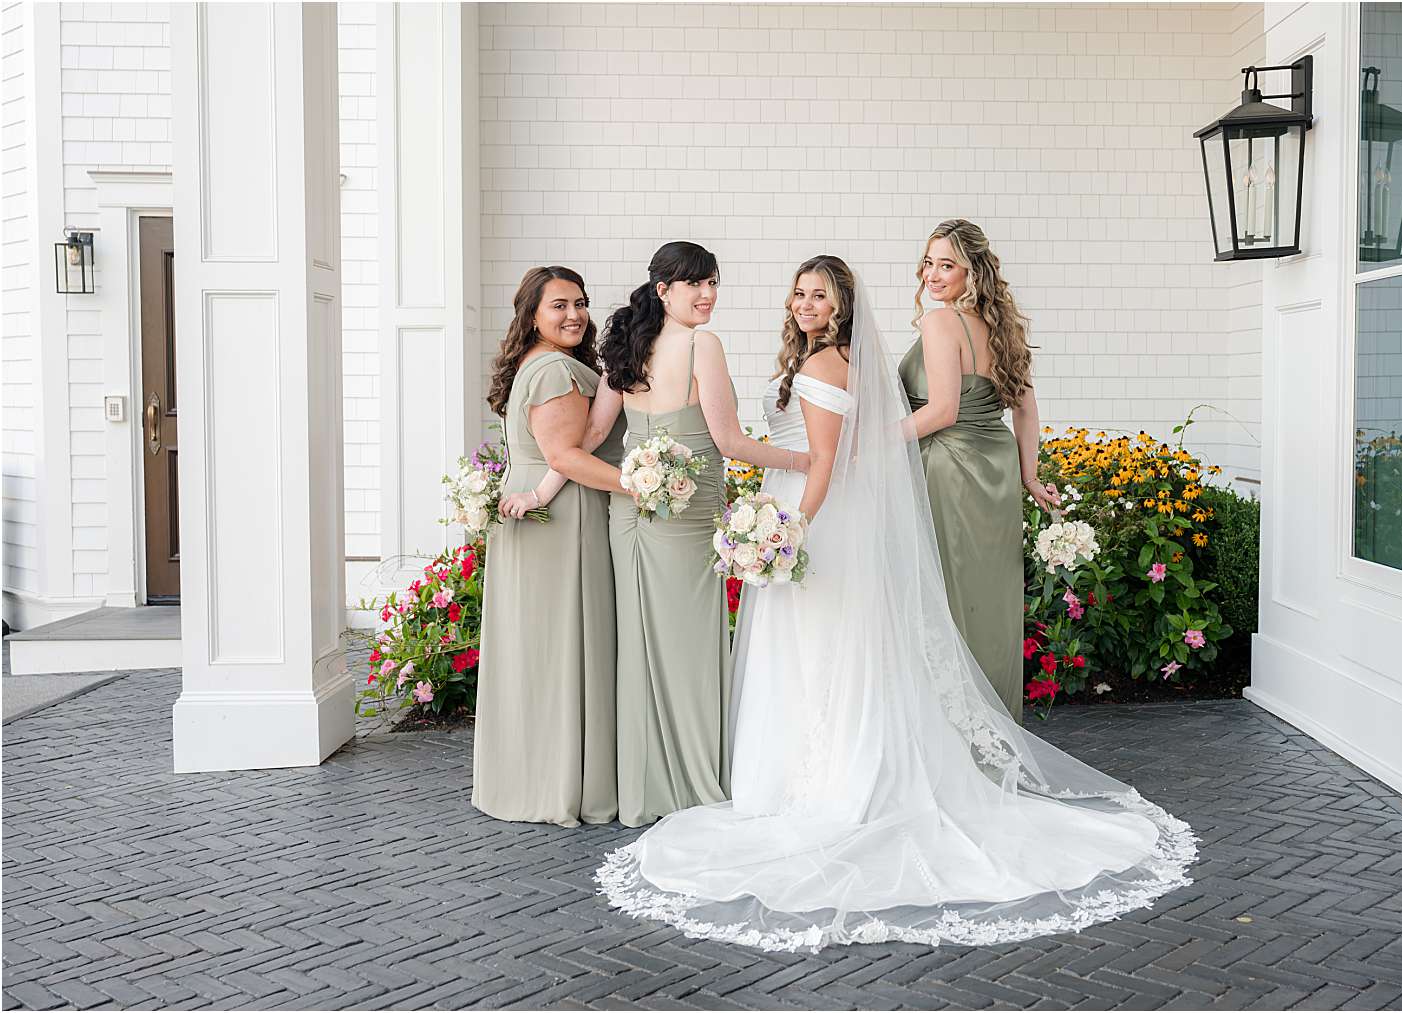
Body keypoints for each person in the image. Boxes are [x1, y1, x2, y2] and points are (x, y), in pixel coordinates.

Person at [596, 262, 1197, 951]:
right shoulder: (825, 356)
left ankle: (830, 783)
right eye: (799, 292)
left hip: (814, 515)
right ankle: (807, 776)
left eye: (819, 293)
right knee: (814, 648)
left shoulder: (828, 359)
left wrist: (790, 528)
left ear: (844, 304)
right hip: (803, 509)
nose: (805, 302)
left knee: (823, 648)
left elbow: (821, 460)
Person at [599, 241, 809, 828]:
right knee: (689, 649)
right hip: (685, 516)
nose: (708, 295)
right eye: (695, 284)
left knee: (641, 644)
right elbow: (730, 442)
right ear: (662, 289)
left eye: (713, 283)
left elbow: (593, 434)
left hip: (632, 513)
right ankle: (692, 783)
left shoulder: (626, 347)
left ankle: (644, 788)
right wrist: (805, 460)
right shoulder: (701, 344)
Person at [471, 266, 624, 827]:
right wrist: (643, 486)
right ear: (531, 313)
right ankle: (559, 782)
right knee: (560, 648)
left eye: (580, 303)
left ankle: (527, 777)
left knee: (535, 653)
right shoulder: (558, 371)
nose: (574, 315)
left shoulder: (535, 366)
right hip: (560, 520)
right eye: (559, 305)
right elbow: (568, 457)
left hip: (534, 515)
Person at [900, 218, 1062, 718]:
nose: (933, 274)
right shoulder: (1005, 327)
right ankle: (996, 724)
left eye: (946, 264)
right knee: (988, 602)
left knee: (945, 597)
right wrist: (1029, 477)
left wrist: (866, 445)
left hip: (948, 467)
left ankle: (951, 735)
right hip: (995, 471)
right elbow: (1026, 410)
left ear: (973, 270)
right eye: (929, 262)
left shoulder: (940, 321)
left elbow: (941, 411)